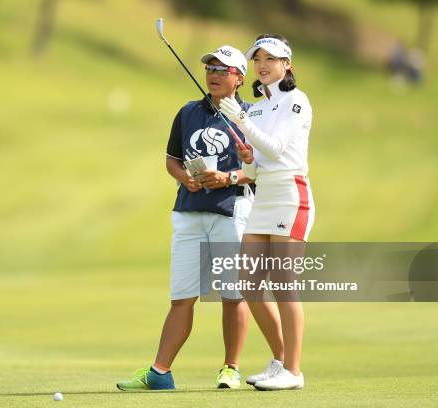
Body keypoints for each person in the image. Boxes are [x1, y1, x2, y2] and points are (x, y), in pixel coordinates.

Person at [116, 45, 255, 391]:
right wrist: (184, 177)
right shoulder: (188, 112)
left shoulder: (253, 115)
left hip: (231, 211)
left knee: (233, 294)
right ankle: (160, 373)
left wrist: (228, 177)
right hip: (189, 212)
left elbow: (261, 168)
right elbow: (172, 160)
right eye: (210, 68)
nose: (213, 74)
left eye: (223, 70)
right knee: (181, 297)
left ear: (239, 78)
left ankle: (230, 368)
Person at [219, 34, 315, 391]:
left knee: (284, 285)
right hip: (264, 195)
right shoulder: (258, 108)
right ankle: (279, 362)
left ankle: (293, 370)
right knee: (249, 282)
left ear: (286, 64)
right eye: (257, 58)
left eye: (271, 58)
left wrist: (242, 120)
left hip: (292, 194)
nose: (263, 64)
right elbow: (259, 166)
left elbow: (275, 149)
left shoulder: (296, 100)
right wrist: (246, 159)